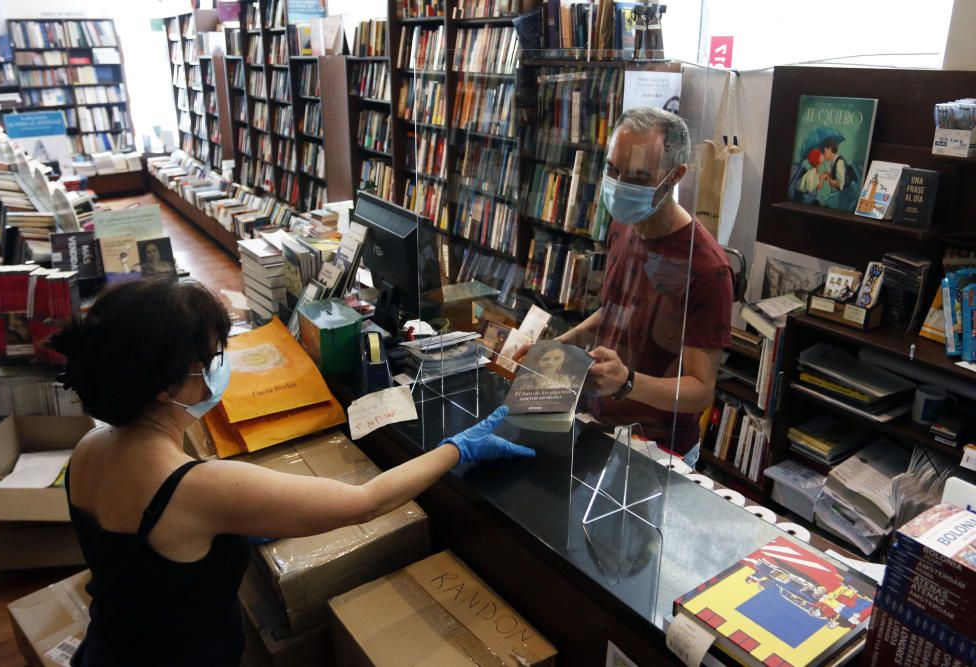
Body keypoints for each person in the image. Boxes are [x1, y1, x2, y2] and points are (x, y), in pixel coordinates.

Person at [50, 278, 533, 666]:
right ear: (165, 385)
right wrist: (459, 448)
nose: (222, 368)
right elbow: (368, 503)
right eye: (212, 359)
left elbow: (145, 563)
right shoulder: (199, 488)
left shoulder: (88, 449)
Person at [519, 107, 732, 467]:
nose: (620, 186)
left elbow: (699, 390)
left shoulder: (707, 268)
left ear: (675, 177)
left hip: (658, 450)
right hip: (598, 423)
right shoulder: (624, 223)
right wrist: (560, 345)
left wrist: (628, 382)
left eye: (638, 177)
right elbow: (618, 308)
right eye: (613, 170)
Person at [511, 341, 578, 391]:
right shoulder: (522, 381)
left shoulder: (570, 381)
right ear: (537, 361)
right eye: (545, 359)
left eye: (557, 358)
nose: (550, 363)